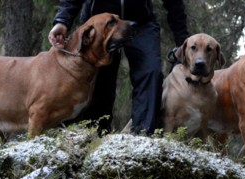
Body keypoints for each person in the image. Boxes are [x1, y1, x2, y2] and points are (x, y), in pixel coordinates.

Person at [48, 0, 189, 134]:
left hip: (140, 23)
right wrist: (62, 21)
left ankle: (144, 136)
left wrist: (181, 39)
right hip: (100, 25)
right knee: (99, 81)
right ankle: (94, 135)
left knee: (151, 72)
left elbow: (173, 2)